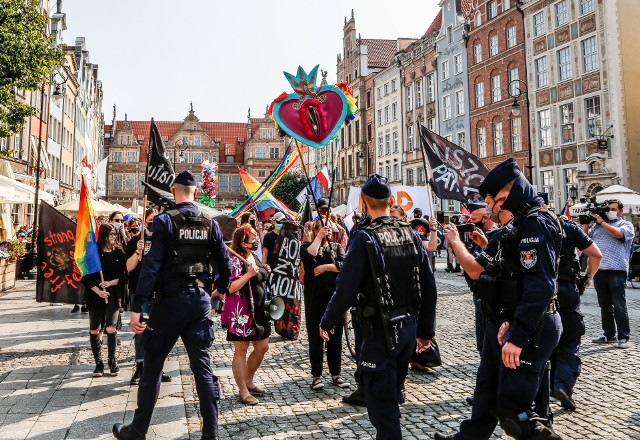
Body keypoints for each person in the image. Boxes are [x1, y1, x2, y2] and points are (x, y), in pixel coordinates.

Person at [435, 159, 562, 440]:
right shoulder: (523, 222)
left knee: (516, 414)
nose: (493, 210)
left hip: (534, 326)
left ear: (508, 195)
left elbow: (540, 286)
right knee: (489, 391)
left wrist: (517, 335)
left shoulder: (535, 223)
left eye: (495, 203)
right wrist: (509, 320)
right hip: (515, 319)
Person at [112, 171, 231, 440]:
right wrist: (218, 292)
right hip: (199, 301)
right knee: (202, 368)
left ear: (173, 191)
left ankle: (138, 430)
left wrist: (137, 305)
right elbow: (225, 264)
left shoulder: (165, 221)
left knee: (153, 366)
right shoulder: (209, 223)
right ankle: (211, 433)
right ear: (196, 192)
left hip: (168, 302)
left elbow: (151, 267)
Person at [319, 174, 437, 440]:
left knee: (382, 408)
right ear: (391, 201)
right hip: (407, 328)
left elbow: (346, 288)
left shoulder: (364, 238)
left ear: (363, 201)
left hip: (379, 332)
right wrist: (425, 331)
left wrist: (327, 321)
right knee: (391, 397)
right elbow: (429, 286)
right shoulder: (410, 234)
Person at [548, 213, 602, 411]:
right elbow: (596, 254)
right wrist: (588, 277)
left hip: (541, 290)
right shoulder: (569, 228)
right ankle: (562, 385)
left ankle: (545, 386)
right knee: (570, 339)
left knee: (547, 337)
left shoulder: (533, 225)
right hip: (566, 288)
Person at [224, 224, 271, 406]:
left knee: (262, 346)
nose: (256, 242)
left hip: (258, 310)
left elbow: (260, 275)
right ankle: (243, 391)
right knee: (241, 350)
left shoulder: (255, 257)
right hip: (241, 312)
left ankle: (249, 380)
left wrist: (263, 269)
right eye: (253, 240)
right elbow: (230, 288)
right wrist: (249, 274)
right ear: (243, 243)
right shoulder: (236, 261)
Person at [125, 208, 172, 386]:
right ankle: (140, 365)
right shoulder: (136, 241)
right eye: (150, 219)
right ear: (144, 221)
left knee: (159, 330)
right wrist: (137, 253)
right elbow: (128, 268)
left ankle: (157, 366)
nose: (153, 223)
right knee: (140, 329)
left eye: (156, 219)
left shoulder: (163, 241)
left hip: (159, 291)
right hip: (140, 291)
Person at [301, 217, 348, 391]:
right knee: (316, 338)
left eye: (328, 229)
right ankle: (316, 376)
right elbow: (308, 257)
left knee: (336, 338)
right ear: (315, 230)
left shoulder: (336, 247)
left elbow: (345, 265)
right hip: (314, 300)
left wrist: (326, 267)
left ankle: (336, 373)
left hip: (334, 300)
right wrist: (318, 237)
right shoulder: (307, 246)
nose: (326, 231)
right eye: (321, 229)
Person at [583, 198, 634, 348]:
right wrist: (586, 223)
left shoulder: (625, 224)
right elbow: (585, 240)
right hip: (600, 270)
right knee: (604, 305)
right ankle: (608, 334)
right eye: (608, 209)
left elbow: (618, 235)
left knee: (619, 305)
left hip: (617, 270)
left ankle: (624, 336)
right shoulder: (597, 227)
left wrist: (602, 223)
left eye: (613, 209)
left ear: (620, 211)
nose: (610, 212)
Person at [81, 223, 126, 378]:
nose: (113, 237)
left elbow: (124, 276)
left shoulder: (119, 253)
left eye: (115, 234)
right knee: (95, 329)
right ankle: (98, 364)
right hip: (95, 295)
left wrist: (111, 283)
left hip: (112, 295)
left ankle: (112, 362)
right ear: (103, 236)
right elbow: (85, 277)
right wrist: (99, 291)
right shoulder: (94, 254)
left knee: (111, 328)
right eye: (111, 234)